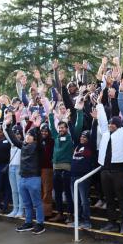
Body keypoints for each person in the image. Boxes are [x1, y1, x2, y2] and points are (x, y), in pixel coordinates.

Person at [3, 113, 46, 234]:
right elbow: (13, 138)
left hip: (34, 178)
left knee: (37, 203)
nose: (27, 136)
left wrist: (36, 128)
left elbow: (40, 139)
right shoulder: (23, 145)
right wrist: (7, 126)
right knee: (27, 203)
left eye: (30, 135)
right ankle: (28, 222)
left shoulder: (38, 146)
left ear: (34, 138)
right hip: (23, 178)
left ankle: (40, 224)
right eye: (27, 134)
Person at [96, 93, 123, 234]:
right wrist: (99, 104)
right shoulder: (105, 134)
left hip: (119, 172)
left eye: (113, 124)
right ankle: (112, 223)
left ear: (118, 125)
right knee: (109, 199)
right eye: (110, 123)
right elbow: (102, 120)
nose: (110, 125)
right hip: (105, 171)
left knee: (122, 200)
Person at [49, 95, 84, 223]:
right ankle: (60, 213)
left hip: (67, 170)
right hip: (56, 169)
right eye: (60, 128)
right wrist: (51, 112)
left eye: (63, 128)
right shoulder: (56, 136)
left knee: (68, 194)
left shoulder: (71, 137)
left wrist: (79, 111)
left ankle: (70, 214)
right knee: (57, 194)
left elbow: (79, 126)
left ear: (67, 129)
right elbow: (52, 126)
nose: (61, 129)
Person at [71, 107, 98, 229]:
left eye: (85, 137)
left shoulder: (90, 147)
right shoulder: (77, 145)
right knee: (75, 201)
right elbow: (72, 132)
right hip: (73, 177)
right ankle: (77, 220)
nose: (82, 138)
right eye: (82, 136)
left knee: (83, 200)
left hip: (83, 178)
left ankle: (87, 221)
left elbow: (93, 134)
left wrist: (95, 121)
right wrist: (68, 121)